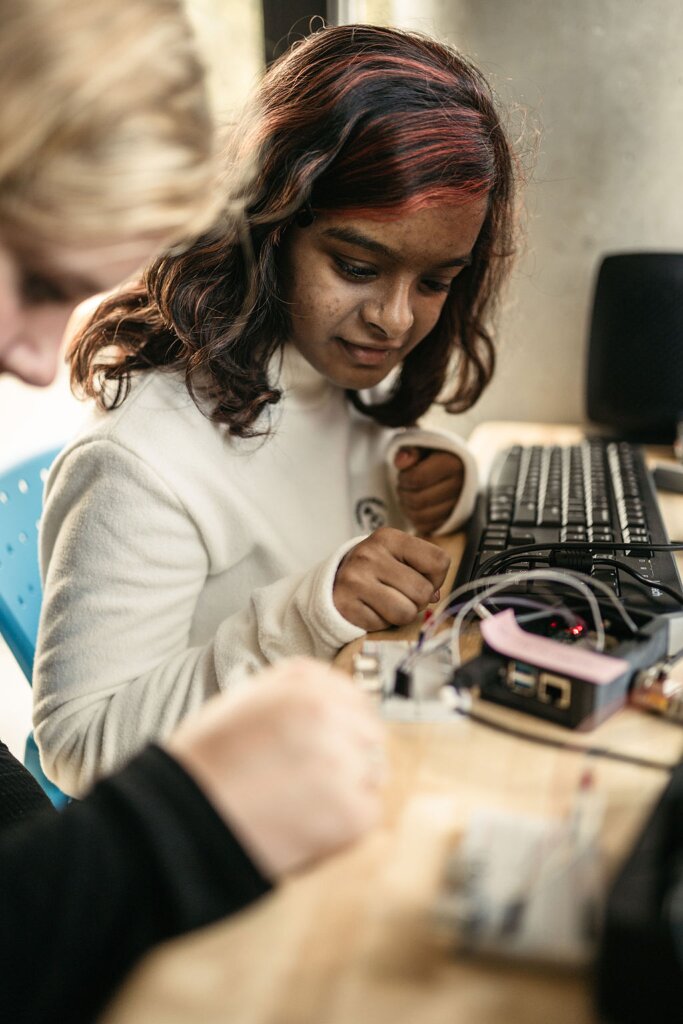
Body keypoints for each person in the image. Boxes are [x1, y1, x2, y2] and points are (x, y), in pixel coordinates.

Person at [0, 3, 383, 1022]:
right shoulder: (143, 454)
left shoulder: (336, 400)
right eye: (34, 279)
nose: (38, 359)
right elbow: (77, 751)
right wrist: (186, 819)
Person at [33, 23, 518, 797]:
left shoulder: (324, 369)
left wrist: (430, 475)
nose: (394, 318)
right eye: (358, 266)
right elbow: (81, 749)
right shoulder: (139, 465)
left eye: (435, 282)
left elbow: (331, 462)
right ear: (266, 226)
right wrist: (307, 614)